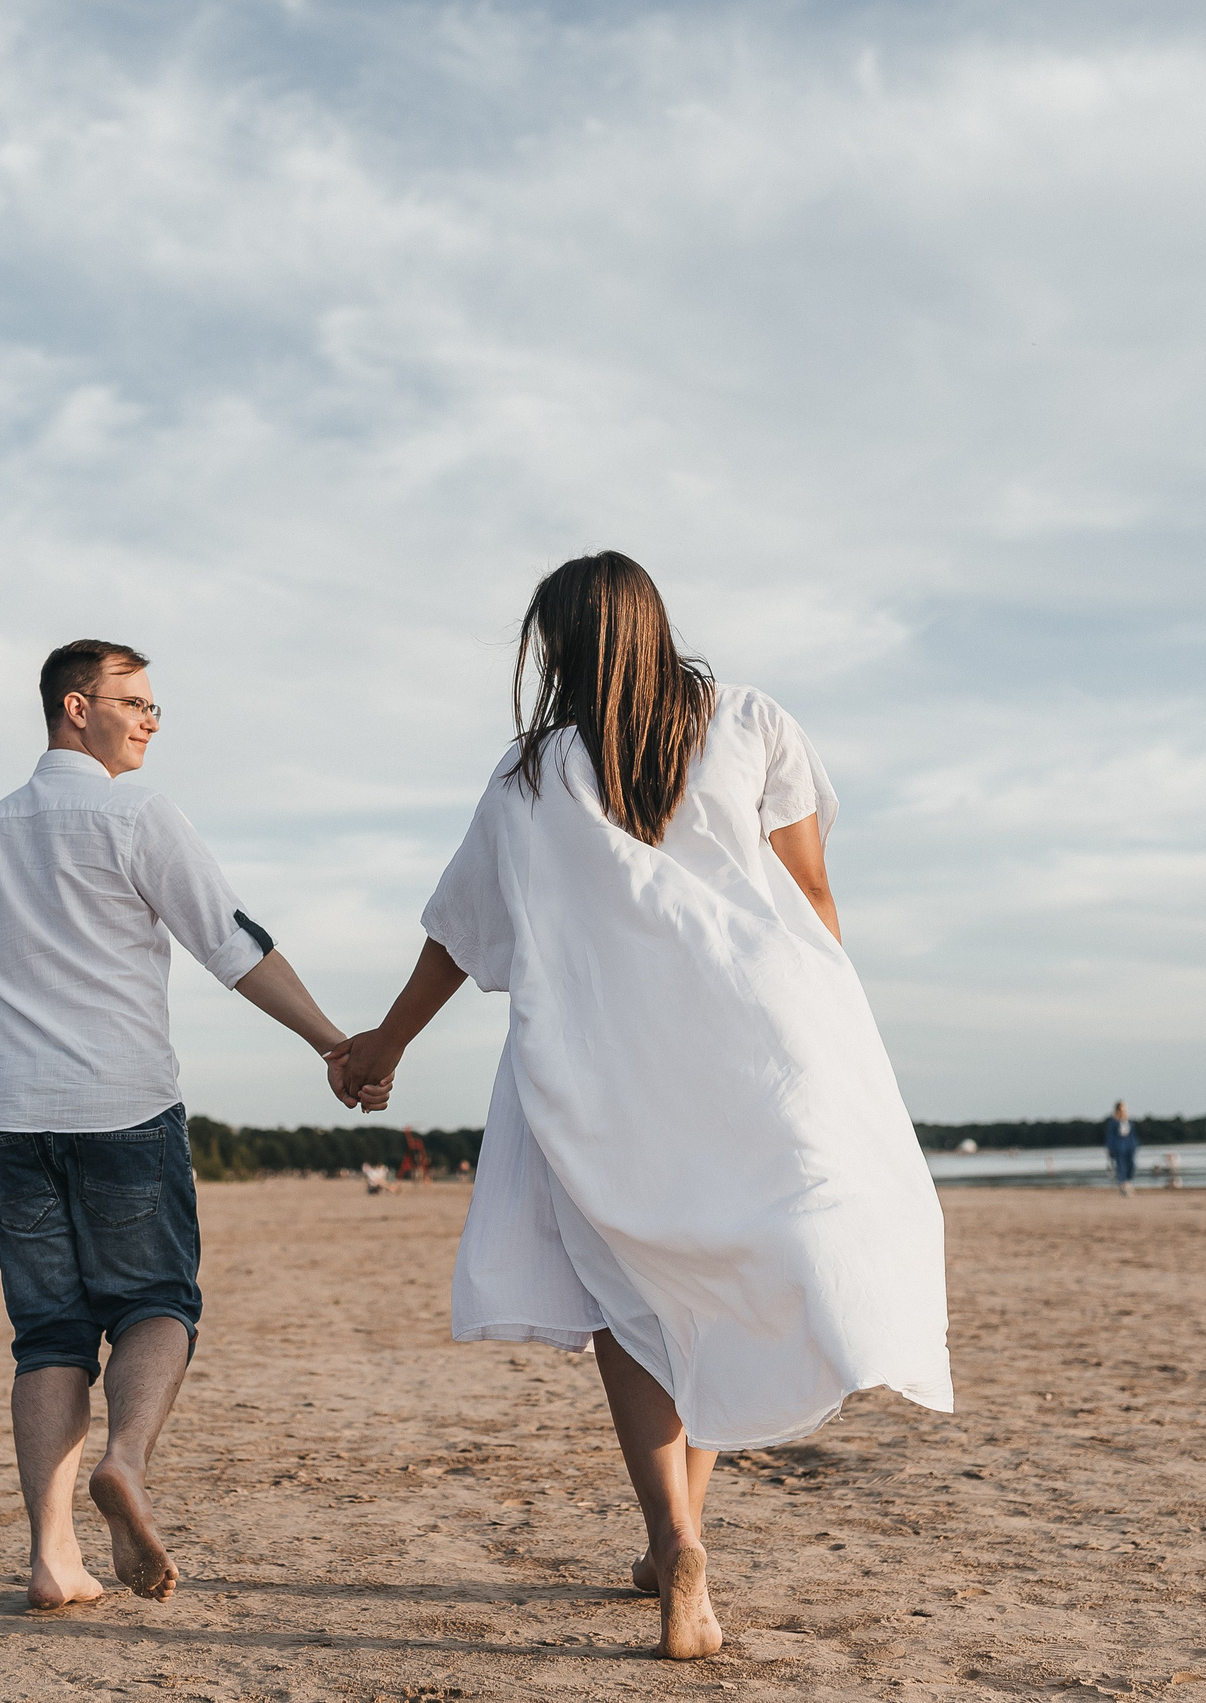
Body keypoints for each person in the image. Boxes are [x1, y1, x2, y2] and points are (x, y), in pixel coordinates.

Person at [331, 555, 951, 1661]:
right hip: (757, 1043)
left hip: (602, 1060)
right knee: (713, 1280)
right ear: (654, 626)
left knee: (632, 1292)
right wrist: (835, 1042)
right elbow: (810, 894)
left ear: (557, 645)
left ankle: (673, 1540)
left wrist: (385, 1041)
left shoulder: (528, 775)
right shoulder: (751, 720)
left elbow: (460, 931)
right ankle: (687, 1534)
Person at [0, 638, 377, 1612]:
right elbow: (230, 942)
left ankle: (53, 1558)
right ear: (73, 706)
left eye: (153, 705)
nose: (148, 719)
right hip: (122, 1107)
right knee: (156, 1305)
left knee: (47, 1336)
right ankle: (126, 1460)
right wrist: (331, 1041)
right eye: (131, 701)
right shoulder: (136, 810)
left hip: (15, 1120)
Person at [1102, 1102, 1140, 1197]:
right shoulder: (1113, 1122)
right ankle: (1123, 1185)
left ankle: (1127, 1182)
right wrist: (1110, 1148)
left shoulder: (1129, 1121)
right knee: (1121, 1166)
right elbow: (1110, 1136)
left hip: (1129, 1147)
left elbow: (1133, 1135)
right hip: (1118, 1147)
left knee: (1132, 1165)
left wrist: (1135, 1145)